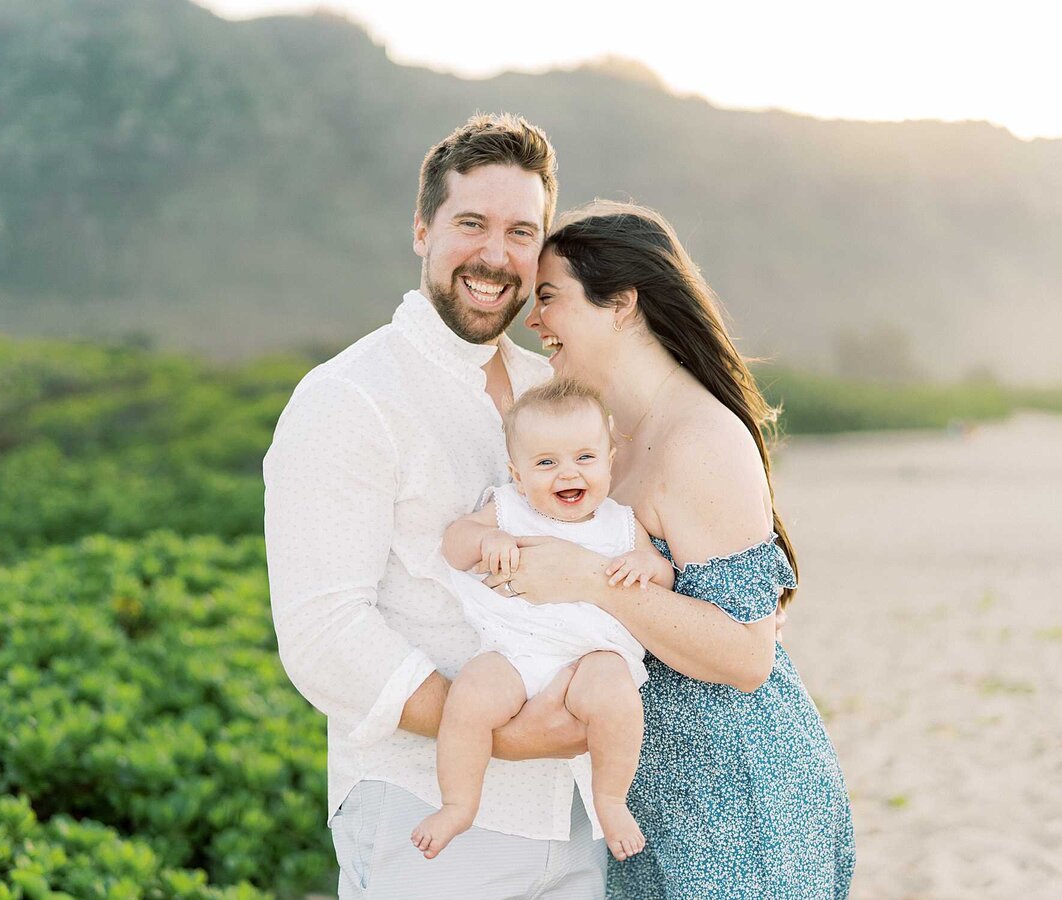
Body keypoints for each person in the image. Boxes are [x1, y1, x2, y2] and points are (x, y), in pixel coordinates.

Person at [263, 114, 610, 899]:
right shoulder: (347, 398)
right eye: (470, 224)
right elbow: (323, 636)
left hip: (577, 817)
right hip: (426, 820)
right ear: (422, 230)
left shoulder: (553, 393)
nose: (495, 255)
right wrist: (502, 737)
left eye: (522, 232)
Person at [496, 200, 856, 898]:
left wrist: (591, 580)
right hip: (657, 804)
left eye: (549, 297)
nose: (533, 320)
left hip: (739, 800)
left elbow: (748, 657)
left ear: (622, 303)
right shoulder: (611, 440)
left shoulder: (701, 437)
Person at [411, 378, 673, 862]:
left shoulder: (622, 523)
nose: (567, 473)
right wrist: (484, 541)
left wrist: (649, 566)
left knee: (617, 699)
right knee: (468, 697)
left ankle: (612, 799)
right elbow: (454, 542)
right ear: (517, 473)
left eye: (584, 458)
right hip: (515, 652)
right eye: (546, 462)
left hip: (594, 655)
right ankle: (458, 803)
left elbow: (663, 578)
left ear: (610, 460)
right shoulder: (507, 510)